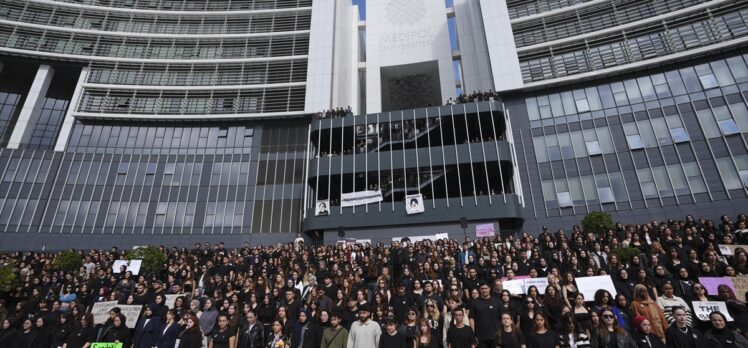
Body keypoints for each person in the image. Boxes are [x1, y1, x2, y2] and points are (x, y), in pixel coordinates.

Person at [469, 283, 500, 348]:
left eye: (486, 288)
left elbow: (502, 318)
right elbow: (471, 319)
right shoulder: (474, 302)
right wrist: (473, 335)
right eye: (482, 289)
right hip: (480, 336)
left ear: (489, 289)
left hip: (495, 335)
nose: (484, 290)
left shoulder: (497, 302)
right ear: (479, 290)